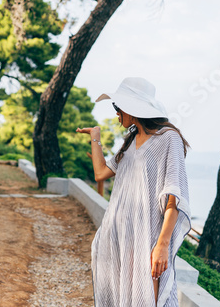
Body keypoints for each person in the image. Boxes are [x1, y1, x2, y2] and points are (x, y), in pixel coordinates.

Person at [76, 77, 191, 306]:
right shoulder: (130, 141)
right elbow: (100, 172)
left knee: (149, 299)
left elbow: (173, 197)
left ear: (132, 107)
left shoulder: (168, 139)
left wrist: (162, 245)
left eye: (118, 107)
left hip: (147, 238)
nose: (117, 113)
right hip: (117, 238)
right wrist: (95, 137)